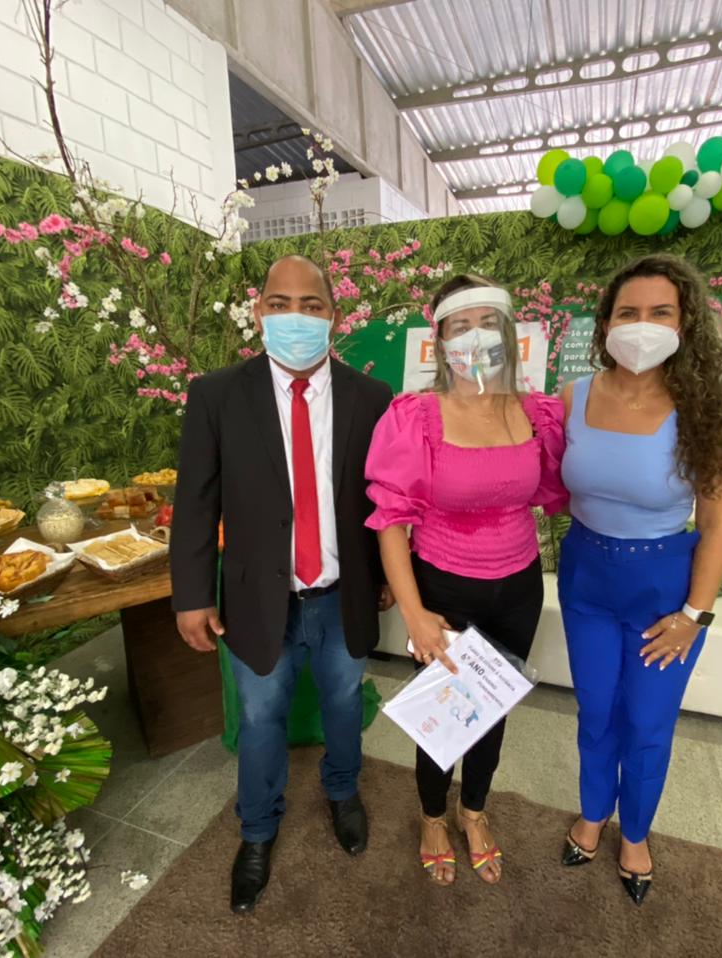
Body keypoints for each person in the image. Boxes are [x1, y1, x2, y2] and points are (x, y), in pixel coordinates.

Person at [171, 254, 394, 915]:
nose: (295, 316)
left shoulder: (371, 398)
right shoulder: (216, 395)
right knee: (261, 715)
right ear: (259, 311)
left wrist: (387, 577)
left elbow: (385, 500)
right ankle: (258, 829)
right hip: (255, 595)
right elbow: (195, 503)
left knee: (344, 703)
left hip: (342, 593)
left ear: (334, 315)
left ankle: (342, 791)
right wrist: (191, 594)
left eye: (311, 304)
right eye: (279, 303)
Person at [364, 274, 567, 886]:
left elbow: (558, 492)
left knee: (492, 711)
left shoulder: (535, 413)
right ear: (440, 339)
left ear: (508, 331)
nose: (474, 336)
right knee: (446, 714)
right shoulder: (416, 416)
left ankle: (473, 811)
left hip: (519, 587)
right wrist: (415, 614)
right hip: (444, 589)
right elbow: (390, 522)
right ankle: (433, 817)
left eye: (486, 322)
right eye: (460, 326)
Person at [557, 253, 722, 905]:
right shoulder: (573, 397)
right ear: (606, 323)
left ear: (685, 324)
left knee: (647, 721)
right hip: (585, 577)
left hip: (664, 589)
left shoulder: (708, 412)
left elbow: (717, 524)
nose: (642, 325)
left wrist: (695, 614)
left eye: (660, 312)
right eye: (627, 312)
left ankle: (634, 832)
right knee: (596, 710)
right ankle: (592, 812)